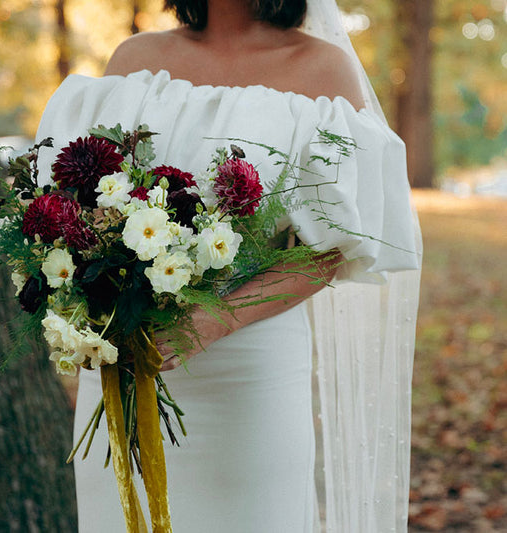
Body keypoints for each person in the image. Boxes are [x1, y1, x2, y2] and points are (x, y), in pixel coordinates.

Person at [35, 0, 421, 531]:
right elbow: (88, 204)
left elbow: (331, 248)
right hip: (129, 363)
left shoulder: (323, 69)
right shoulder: (134, 60)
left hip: (252, 373)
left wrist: (214, 319)